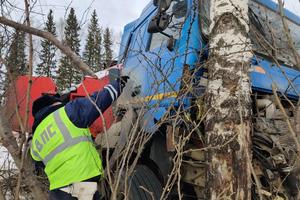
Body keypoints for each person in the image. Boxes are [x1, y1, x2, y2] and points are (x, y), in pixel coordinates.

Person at [30, 75, 129, 200]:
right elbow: (97, 101)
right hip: (81, 186)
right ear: (51, 104)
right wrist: (118, 84)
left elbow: (38, 163)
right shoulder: (66, 113)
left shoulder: (36, 139)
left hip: (57, 192)